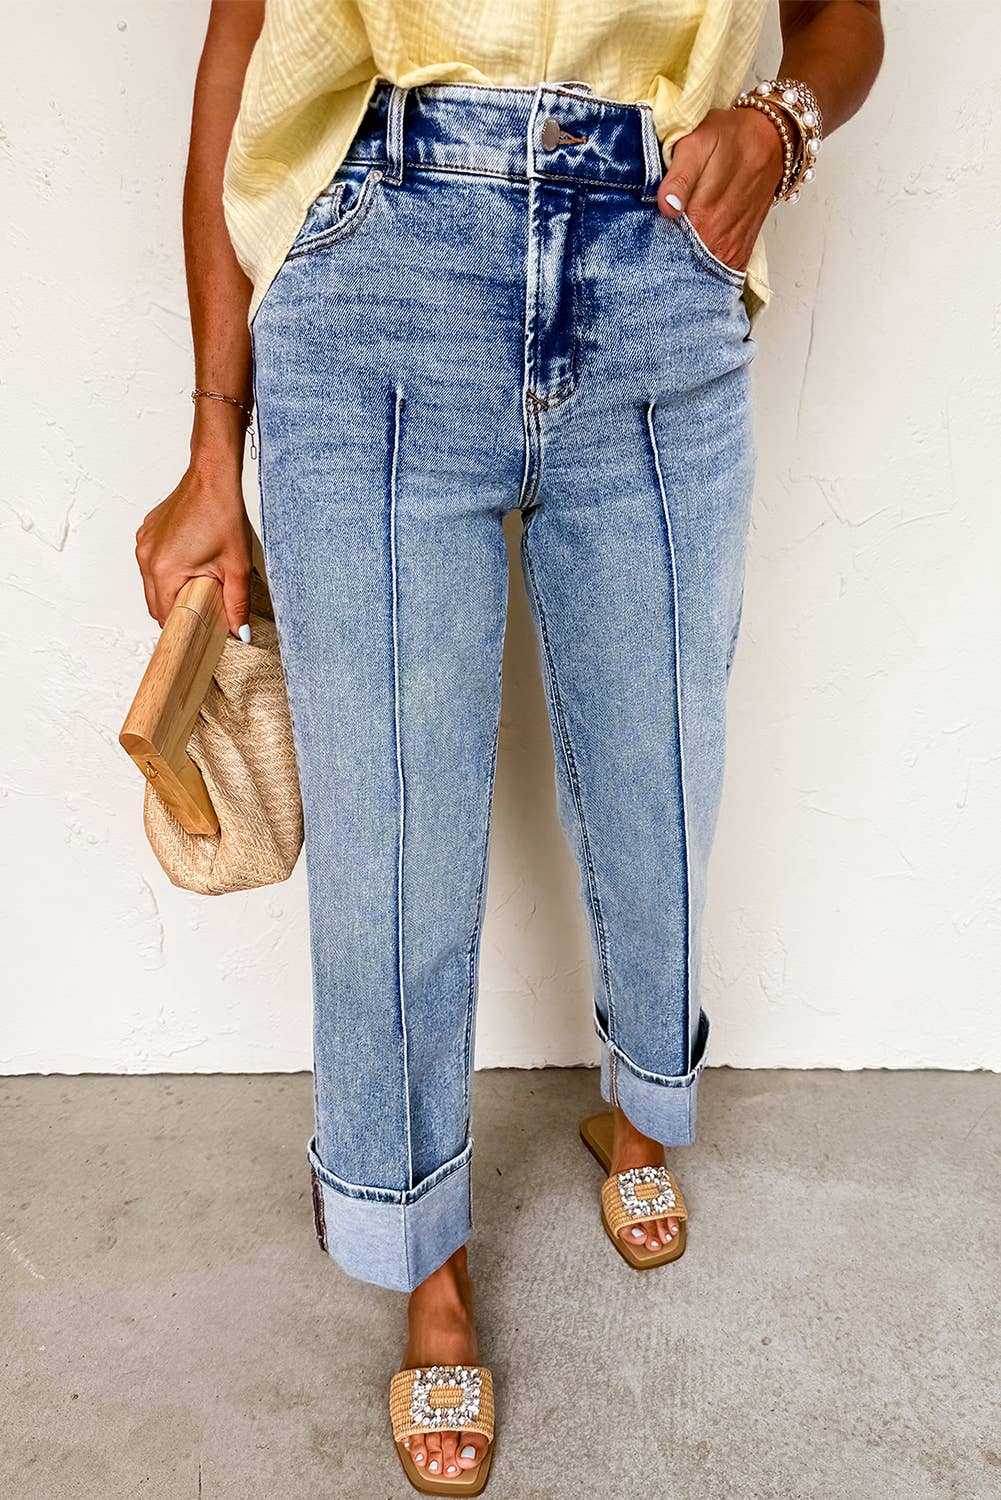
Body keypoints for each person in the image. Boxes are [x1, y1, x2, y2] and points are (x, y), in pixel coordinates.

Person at [135, 2, 884, 1490]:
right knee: (392, 826)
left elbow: (843, 20)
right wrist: (215, 441)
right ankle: (426, 1254)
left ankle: (640, 1109)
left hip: (656, 255)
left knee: (661, 761)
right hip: (379, 269)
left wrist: (779, 127)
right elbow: (241, 47)